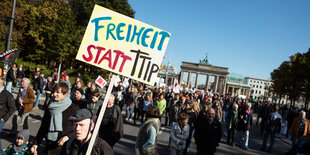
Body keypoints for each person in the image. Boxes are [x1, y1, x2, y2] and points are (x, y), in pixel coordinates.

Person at [31, 82, 79, 154]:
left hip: (66, 146)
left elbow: (78, 127)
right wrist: (36, 143)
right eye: (53, 92)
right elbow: (44, 126)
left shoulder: (73, 108)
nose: (54, 94)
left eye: (57, 92)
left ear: (65, 94)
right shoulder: (50, 106)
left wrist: (67, 137)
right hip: (49, 144)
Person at [0, 77, 16, 153]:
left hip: (1, 118)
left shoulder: (7, 94)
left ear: (1, 84)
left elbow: (12, 108)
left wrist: (4, 118)